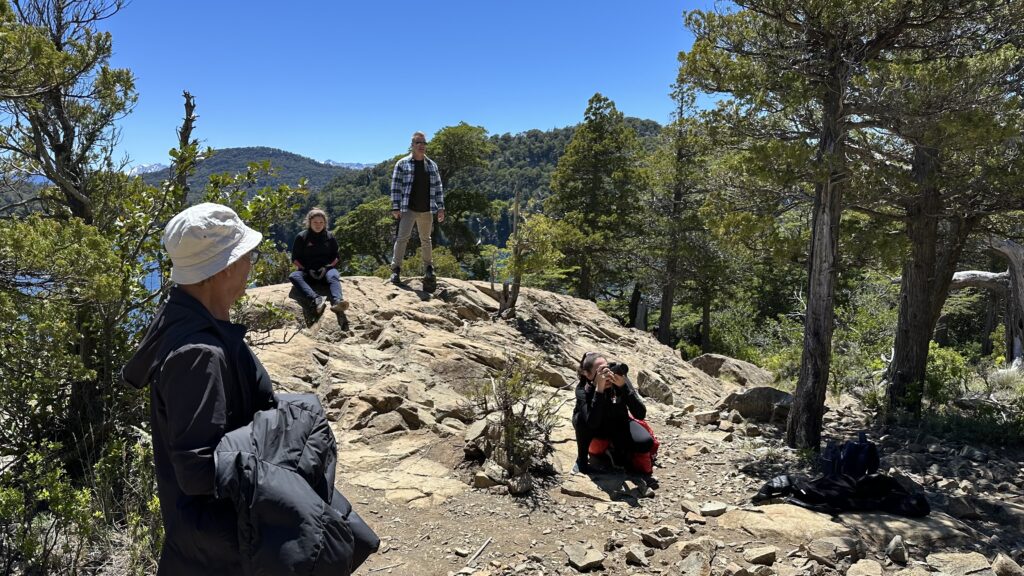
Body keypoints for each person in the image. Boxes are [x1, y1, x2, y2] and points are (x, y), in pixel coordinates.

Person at [121, 203, 367, 574]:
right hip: (227, 547)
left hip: (226, 535)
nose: (251, 263)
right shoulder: (198, 355)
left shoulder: (193, 323)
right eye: (248, 255)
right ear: (224, 267)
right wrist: (291, 424)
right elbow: (198, 470)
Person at [572, 352, 658, 483]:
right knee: (580, 419)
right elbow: (592, 422)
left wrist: (623, 387)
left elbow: (640, 414)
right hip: (595, 428)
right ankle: (581, 460)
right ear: (587, 374)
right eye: (600, 371)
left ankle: (614, 451)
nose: (607, 375)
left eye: (607, 368)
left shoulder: (618, 378)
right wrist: (599, 391)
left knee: (645, 443)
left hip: (617, 423)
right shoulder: (583, 389)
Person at [389, 130, 444, 284]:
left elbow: (438, 187)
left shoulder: (432, 166)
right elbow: (395, 187)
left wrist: (441, 208)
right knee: (402, 239)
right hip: (408, 209)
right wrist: (395, 207)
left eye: (423, 143)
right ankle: (396, 270)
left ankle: (428, 269)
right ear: (412, 145)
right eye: (418, 143)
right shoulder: (402, 164)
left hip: (427, 209)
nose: (421, 145)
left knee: (426, 240)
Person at [290, 207, 348, 313]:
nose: (318, 225)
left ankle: (337, 302)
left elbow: (336, 257)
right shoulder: (302, 237)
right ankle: (316, 298)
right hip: (307, 271)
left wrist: (328, 267)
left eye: (321, 222)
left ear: (325, 223)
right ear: (309, 222)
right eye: (315, 222)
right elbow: (294, 259)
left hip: (326, 271)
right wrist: (306, 269)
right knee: (294, 276)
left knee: (334, 275)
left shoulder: (329, 237)